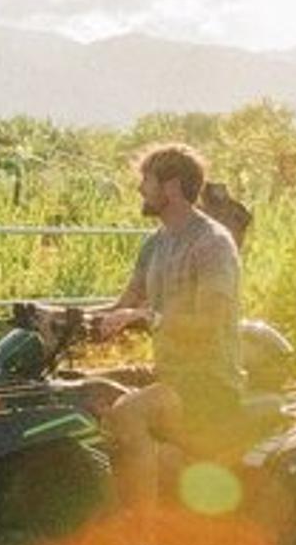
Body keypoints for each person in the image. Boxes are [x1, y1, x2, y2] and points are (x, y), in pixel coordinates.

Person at [93, 142, 244, 517]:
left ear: (172, 186)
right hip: (170, 374)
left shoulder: (212, 243)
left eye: (146, 180)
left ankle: (142, 539)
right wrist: (63, 318)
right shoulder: (154, 243)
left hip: (209, 381)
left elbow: (210, 323)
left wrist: (150, 319)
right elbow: (125, 304)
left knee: (128, 414)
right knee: (85, 393)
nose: (139, 189)